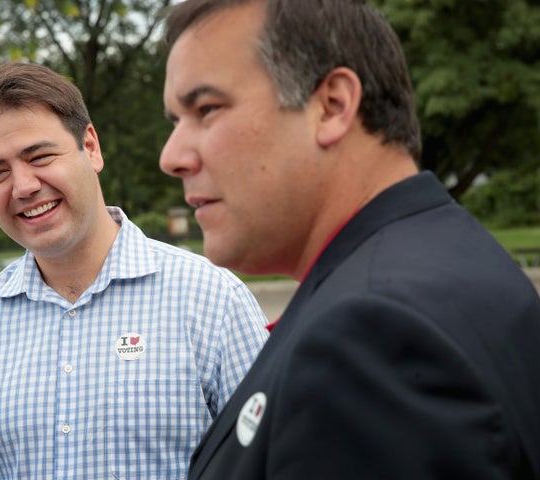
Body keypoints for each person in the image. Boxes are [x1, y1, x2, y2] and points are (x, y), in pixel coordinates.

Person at [159, 0, 540, 479]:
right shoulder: (449, 257)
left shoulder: (369, 334)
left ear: (332, 106)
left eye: (206, 109)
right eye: (175, 120)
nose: (171, 157)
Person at [0, 62, 269, 478]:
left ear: (91, 147)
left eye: (39, 156)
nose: (23, 186)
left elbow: (272, 460)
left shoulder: (213, 301)